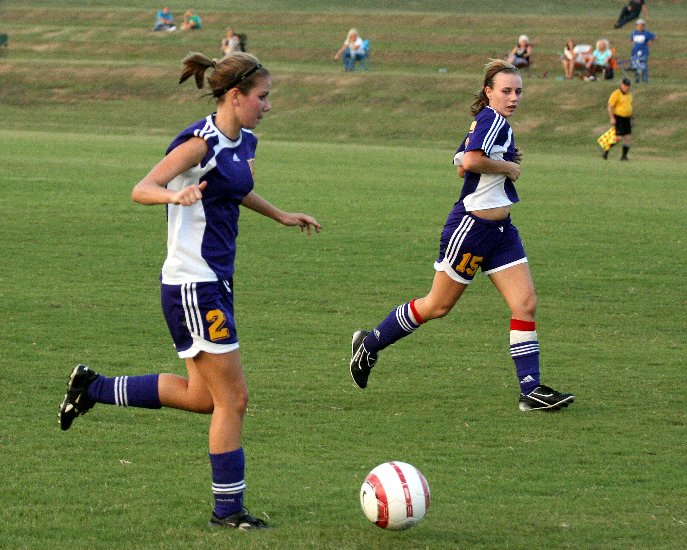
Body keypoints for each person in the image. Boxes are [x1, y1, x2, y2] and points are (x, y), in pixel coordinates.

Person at [58, 51, 321, 529]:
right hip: (193, 284)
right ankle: (228, 511)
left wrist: (280, 214)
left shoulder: (245, 141)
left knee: (203, 397)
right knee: (233, 400)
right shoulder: (199, 144)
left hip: (215, 282)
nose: (267, 106)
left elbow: (234, 188)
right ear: (235, 96)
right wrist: (173, 194)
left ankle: (93, 387)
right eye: (262, 97)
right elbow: (142, 187)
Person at [349, 59, 575, 412]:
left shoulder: (492, 122)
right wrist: (507, 166)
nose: (514, 98)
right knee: (437, 305)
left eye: (518, 92)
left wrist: (500, 159)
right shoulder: (491, 119)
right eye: (506, 91)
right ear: (489, 92)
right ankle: (370, 344)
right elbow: (469, 162)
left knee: (525, 303)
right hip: (471, 229)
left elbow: (461, 166)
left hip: (501, 232)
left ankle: (530, 391)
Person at [604, 77, 633, 160]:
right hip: (619, 118)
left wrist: (632, 117)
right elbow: (610, 106)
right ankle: (606, 149)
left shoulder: (629, 95)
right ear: (622, 85)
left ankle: (624, 156)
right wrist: (612, 118)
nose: (627, 87)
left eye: (628, 86)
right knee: (619, 138)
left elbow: (630, 106)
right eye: (625, 85)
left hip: (627, 118)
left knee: (628, 138)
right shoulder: (616, 94)